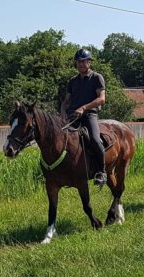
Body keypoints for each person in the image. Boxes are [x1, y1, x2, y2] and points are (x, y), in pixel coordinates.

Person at [61, 49, 107, 185]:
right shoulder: (72, 81)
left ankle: (101, 171)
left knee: (94, 139)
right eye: (78, 62)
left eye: (83, 61)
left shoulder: (96, 77)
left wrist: (84, 108)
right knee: (59, 138)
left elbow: (102, 99)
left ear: (89, 62)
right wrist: (63, 112)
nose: (80, 64)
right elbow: (66, 101)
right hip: (72, 116)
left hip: (89, 115)